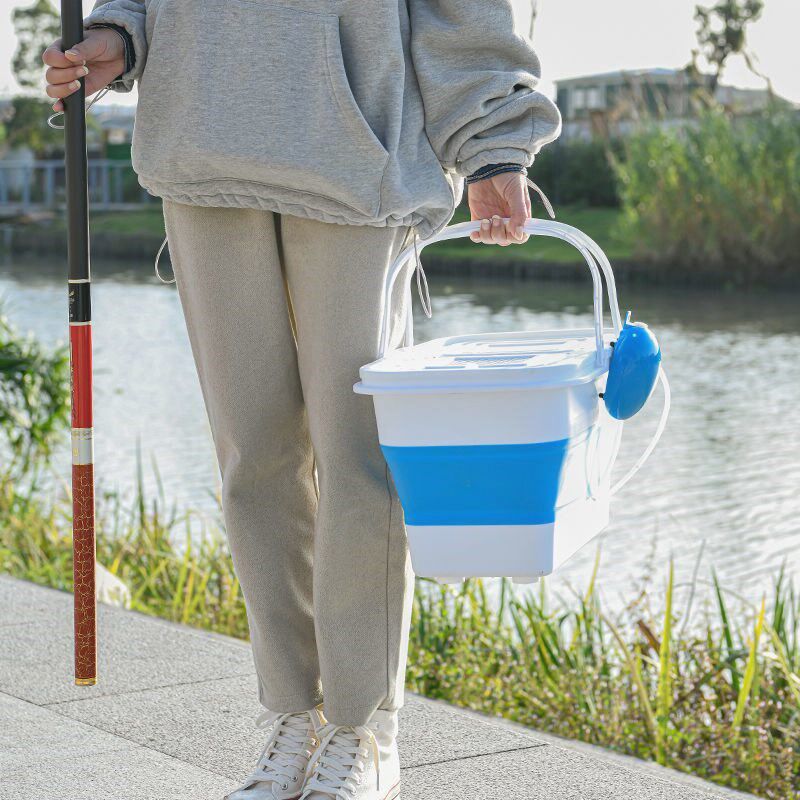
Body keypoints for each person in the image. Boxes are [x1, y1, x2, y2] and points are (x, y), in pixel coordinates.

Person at [44, 3, 561, 798]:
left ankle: (364, 729)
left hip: (356, 161)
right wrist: (123, 32)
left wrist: (494, 140)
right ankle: (293, 713)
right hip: (202, 150)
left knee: (359, 460)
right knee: (253, 459)